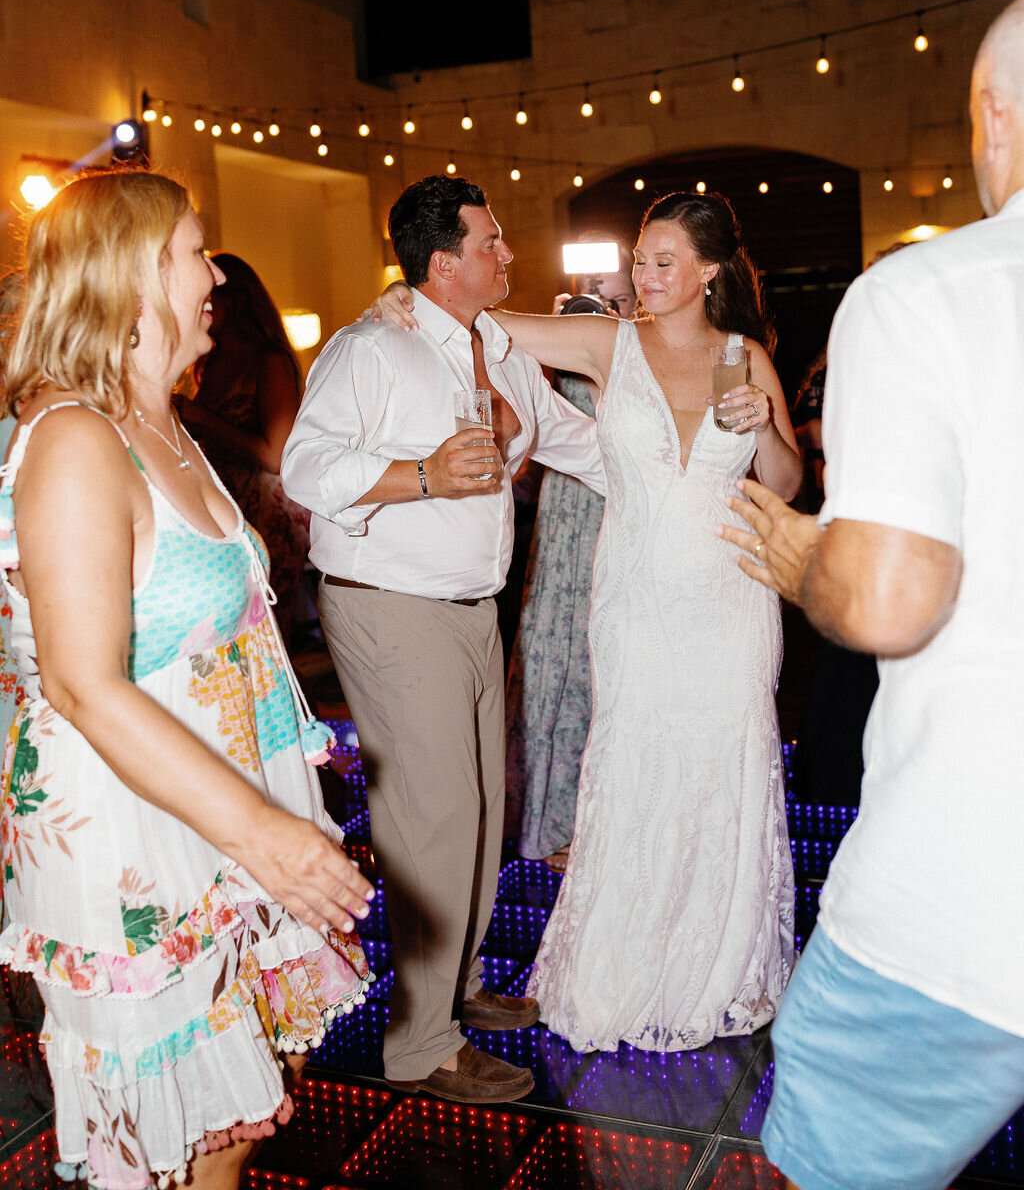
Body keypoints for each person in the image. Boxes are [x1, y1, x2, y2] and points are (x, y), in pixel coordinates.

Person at [0, 171, 374, 1190]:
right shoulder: (77, 440)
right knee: (183, 1143)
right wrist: (265, 837)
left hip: (222, 817)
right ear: (131, 277)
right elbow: (83, 685)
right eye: (193, 253)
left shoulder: (161, 424)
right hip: (138, 839)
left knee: (246, 1111)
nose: (214, 275)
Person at [718, 0, 1024, 1190]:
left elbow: (890, 595)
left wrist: (801, 554)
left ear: (995, 117)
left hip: (971, 899)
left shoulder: (933, 294)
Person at [378, 189, 802, 1053]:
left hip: (731, 601)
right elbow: (490, 323)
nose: (642, 277)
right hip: (638, 603)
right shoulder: (610, 341)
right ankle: (624, 968)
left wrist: (764, 429)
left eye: (662, 262)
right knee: (639, 766)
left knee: (726, 768)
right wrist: (408, 300)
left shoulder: (744, 356)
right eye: (639, 260)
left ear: (710, 271)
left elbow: (787, 485)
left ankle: (713, 966)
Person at [280, 175, 605, 1102]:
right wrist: (420, 473)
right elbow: (306, 468)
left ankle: (456, 990)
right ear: (443, 261)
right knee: (432, 823)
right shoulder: (370, 348)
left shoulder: (496, 350)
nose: (508, 256)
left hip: (471, 609)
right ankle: (421, 1044)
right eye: (492, 242)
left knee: (480, 816)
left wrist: (687, 483)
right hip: (389, 604)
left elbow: (582, 445)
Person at [505, 244, 636, 871]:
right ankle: (552, 824)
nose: (601, 304)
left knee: (611, 664)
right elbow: (523, 435)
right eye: (592, 294)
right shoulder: (564, 341)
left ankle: (613, 823)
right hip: (564, 523)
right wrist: (553, 341)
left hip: (626, 516)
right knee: (556, 657)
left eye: (613, 295)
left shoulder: (651, 344)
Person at [179, 253, 310, 650]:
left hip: (269, 515)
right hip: (227, 508)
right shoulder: (211, 362)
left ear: (233, 301)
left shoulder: (269, 360)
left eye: (209, 298)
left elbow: (275, 455)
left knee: (268, 636)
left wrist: (202, 419)